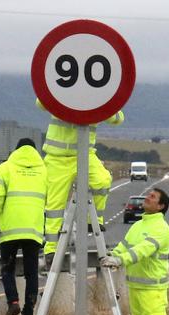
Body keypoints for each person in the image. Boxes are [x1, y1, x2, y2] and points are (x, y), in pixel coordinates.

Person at [36, 98, 124, 266]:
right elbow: (41, 102)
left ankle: (93, 221)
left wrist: (103, 104)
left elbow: (118, 118)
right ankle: (51, 248)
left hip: (85, 153)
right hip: (57, 157)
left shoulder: (98, 97)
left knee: (102, 181)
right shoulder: (61, 92)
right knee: (55, 204)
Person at [100, 188, 169, 315]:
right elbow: (125, 246)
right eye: (148, 194)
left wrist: (119, 260)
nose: (147, 197)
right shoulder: (138, 226)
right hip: (136, 288)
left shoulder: (161, 229)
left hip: (153, 291)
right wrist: (113, 255)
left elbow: (142, 250)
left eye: (153, 197)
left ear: (161, 206)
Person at [0, 137, 47, 315]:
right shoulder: (44, 171)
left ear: (16, 150)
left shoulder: (5, 168)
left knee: (7, 269)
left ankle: (13, 302)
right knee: (31, 272)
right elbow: (52, 200)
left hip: (10, 230)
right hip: (34, 231)